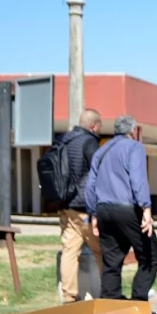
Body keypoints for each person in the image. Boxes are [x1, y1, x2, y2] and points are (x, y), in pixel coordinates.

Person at [85, 115, 157, 301]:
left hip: (103, 211)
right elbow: (138, 179)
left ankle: (112, 304)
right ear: (133, 131)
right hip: (127, 209)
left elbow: (90, 184)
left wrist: (93, 214)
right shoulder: (134, 147)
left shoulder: (101, 151)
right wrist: (146, 208)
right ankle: (138, 301)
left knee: (111, 261)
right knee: (150, 256)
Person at [57, 109, 103, 303]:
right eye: (99, 127)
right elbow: (98, 172)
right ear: (94, 126)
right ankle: (108, 293)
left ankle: (69, 296)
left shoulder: (63, 141)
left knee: (69, 251)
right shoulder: (90, 142)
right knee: (101, 250)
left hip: (65, 205)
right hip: (84, 207)